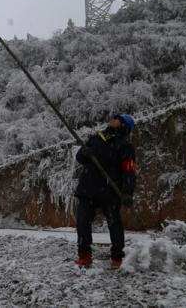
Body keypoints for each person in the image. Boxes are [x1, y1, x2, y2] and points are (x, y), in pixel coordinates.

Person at [74, 113, 137, 268]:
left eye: (117, 119)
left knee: (114, 223)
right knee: (82, 221)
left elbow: (129, 170)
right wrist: (84, 152)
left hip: (110, 191)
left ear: (123, 125)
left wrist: (128, 192)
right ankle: (84, 256)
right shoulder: (96, 139)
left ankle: (117, 257)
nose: (112, 119)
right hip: (87, 188)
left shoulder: (125, 147)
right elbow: (80, 158)